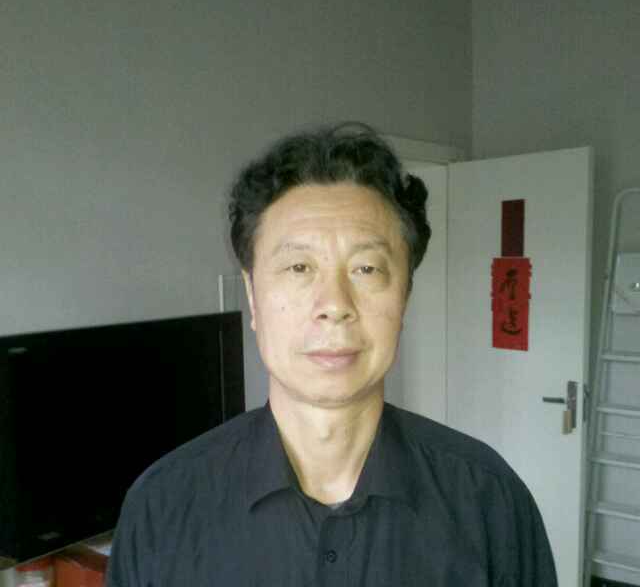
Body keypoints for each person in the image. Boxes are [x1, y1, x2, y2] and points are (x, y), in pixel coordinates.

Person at [106, 123, 558, 586]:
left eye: (366, 268)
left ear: (404, 296)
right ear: (253, 296)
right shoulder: (162, 505)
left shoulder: (489, 499)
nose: (335, 305)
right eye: (299, 267)